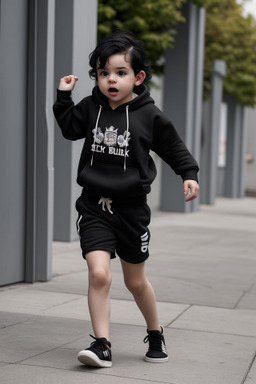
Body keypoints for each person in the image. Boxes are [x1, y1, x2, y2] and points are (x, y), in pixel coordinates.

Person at [53, 29, 199, 368]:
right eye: (104, 73)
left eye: (120, 73)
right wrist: (63, 97)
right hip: (94, 206)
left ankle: (155, 330)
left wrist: (189, 174)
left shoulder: (149, 115)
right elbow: (70, 128)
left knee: (135, 281)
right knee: (99, 274)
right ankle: (102, 344)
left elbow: (173, 147)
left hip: (132, 211)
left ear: (138, 76)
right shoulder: (91, 107)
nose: (111, 80)